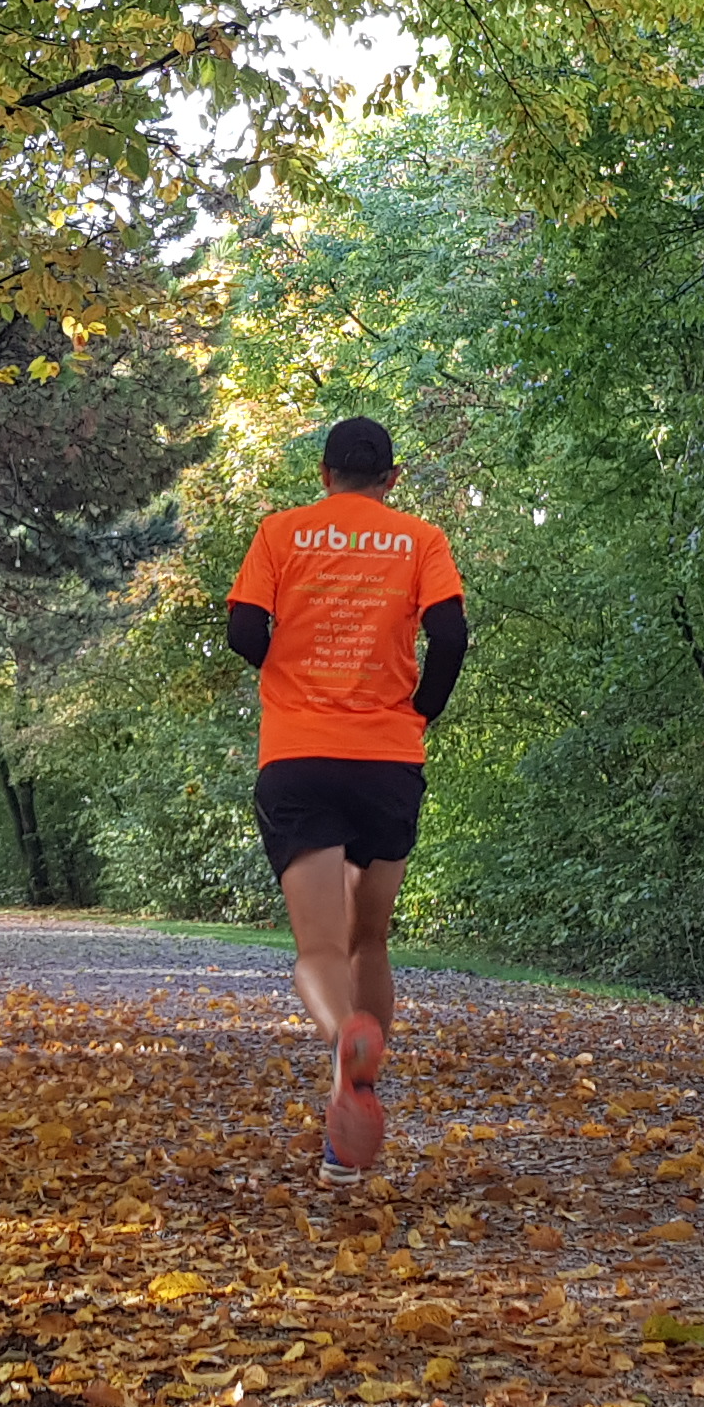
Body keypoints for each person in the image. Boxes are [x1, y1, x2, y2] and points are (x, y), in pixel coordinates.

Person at [226, 415, 468, 1181]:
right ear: (390, 479)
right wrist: (419, 710)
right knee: (370, 940)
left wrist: (286, 674)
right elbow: (452, 636)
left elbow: (240, 629)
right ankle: (347, 1129)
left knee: (320, 950)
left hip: (298, 755)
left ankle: (344, 1033)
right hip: (386, 760)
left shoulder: (280, 532)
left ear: (324, 473)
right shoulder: (421, 541)